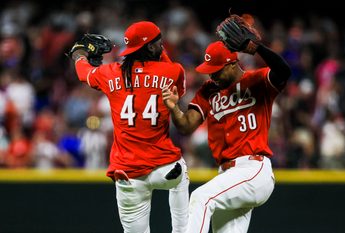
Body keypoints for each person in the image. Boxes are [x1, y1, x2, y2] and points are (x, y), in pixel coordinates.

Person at [69, 21, 189, 233]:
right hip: (165, 167)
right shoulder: (173, 71)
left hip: (127, 172)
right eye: (159, 43)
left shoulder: (109, 72)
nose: (162, 47)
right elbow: (169, 70)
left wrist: (79, 53)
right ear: (150, 47)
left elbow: (83, 73)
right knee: (181, 179)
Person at [162, 38, 291, 232]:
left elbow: (284, 71)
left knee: (200, 198)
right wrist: (174, 109)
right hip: (227, 174)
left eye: (216, 69)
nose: (212, 75)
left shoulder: (257, 80)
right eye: (209, 70)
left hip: (252, 168)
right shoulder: (209, 90)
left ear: (232, 65)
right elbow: (186, 126)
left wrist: (258, 48)